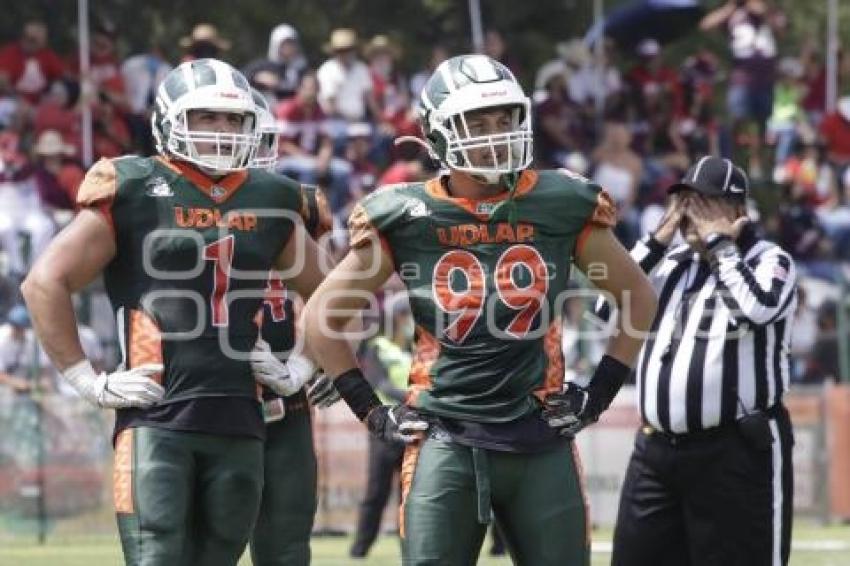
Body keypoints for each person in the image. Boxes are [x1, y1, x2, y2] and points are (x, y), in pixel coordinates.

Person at [303, 54, 657, 565]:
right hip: (445, 435)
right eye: (476, 122)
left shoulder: (558, 201)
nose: (494, 134)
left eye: (503, 119)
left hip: (539, 432)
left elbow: (638, 297)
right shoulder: (406, 213)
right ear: (438, 132)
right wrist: (370, 410)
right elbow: (321, 319)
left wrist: (598, 394)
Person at [21, 58, 327, 566]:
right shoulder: (135, 186)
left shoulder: (271, 196)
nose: (224, 130)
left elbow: (335, 292)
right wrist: (85, 378)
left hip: (240, 418)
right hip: (157, 417)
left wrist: (303, 362)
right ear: (169, 120)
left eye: (233, 120)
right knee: (157, 555)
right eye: (207, 117)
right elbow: (44, 282)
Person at [609, 156, 797, 566]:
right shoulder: (671, 264)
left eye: (708, 205)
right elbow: (609, 310)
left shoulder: (770, 260)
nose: (696, 215)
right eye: (688, 203)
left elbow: (754, 310)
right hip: (656, 453)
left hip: (734, 453)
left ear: (739, 212)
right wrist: (657, 239)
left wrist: (720, 244)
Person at [349, 300, 414, 558]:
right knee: (377, 491)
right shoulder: (378, 347)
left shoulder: (415, 350)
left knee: (408, 496)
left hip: (412, 427)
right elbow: (381, 383)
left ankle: (407, 549)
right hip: (386, 430)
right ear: (396, 317)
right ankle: (359, 549)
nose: (411, 321)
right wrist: (414, 396)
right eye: (406, 315)